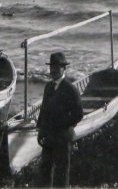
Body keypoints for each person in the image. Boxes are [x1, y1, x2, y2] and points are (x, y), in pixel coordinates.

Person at [37, 52, 83, 187]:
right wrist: (41, 130)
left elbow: (78, 114)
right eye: (52, 67)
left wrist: (63, 126)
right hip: (49, 136)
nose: (54, 70)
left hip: (63, 137)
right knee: (45, 169)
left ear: (64, 69)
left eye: (57, 67)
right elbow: (43, 110)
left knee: (62, 172)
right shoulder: (48, 87)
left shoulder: (71, 89)